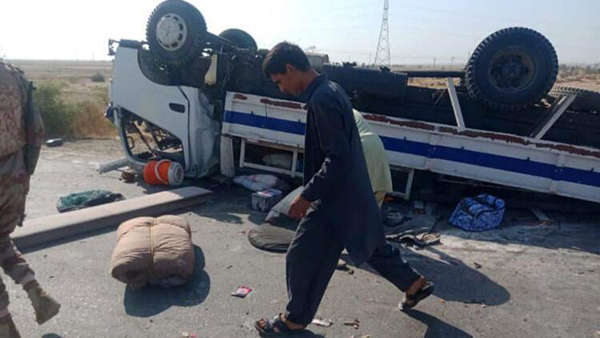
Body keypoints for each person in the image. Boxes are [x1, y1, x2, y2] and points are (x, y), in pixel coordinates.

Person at [255, 42, 433, 335]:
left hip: (334, 198)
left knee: (302, 256)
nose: (282, 89)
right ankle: (415, 285)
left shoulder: (321, 100)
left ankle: (294, 321)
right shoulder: (332, 88)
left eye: (280, 81)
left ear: (290, 68)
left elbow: (336, 158)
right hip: (354, 192)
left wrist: (307, 194)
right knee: (371, 244)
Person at [0, 60, 60, 337]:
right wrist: (25, 174)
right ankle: (36, 291)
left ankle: (5, 326)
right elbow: (36, 130)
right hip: (13, 174)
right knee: (0, 240)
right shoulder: (14, 75)